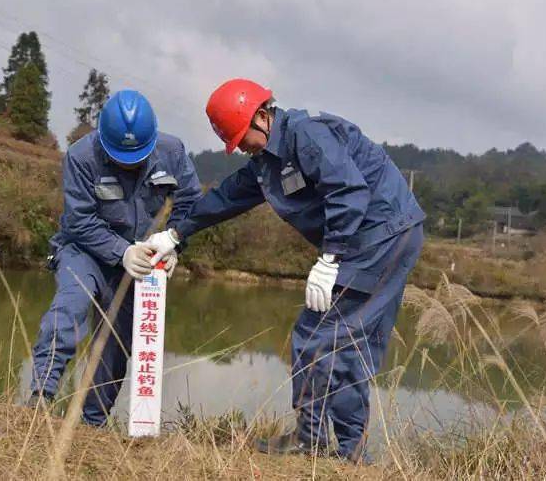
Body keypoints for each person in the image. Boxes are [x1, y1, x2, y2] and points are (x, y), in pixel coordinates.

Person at [147, 78, 425, 463]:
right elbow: (226, 197)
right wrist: (176, 234)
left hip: (381, 235)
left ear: (263, 116)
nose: (240, 147)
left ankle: (311, 441)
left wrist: (330, 259)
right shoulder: (266, 163)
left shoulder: (307, 136)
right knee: (351, 344)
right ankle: (350, 454)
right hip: (377, 237)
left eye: (243, 136)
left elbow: (349, 192)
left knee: (315, 334)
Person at [30, 89, 202, 426]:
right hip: (84, 249)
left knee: (117, 338)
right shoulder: (81, 156)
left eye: (137, 155)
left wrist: (172, 244)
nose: (130, 163)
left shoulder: (173, 152)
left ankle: (90, 422)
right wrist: (120, 250)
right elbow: (80, 220)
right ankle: (39, 398)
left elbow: (191, 205)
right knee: (70, 307)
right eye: (121, 157)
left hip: (139, 257)